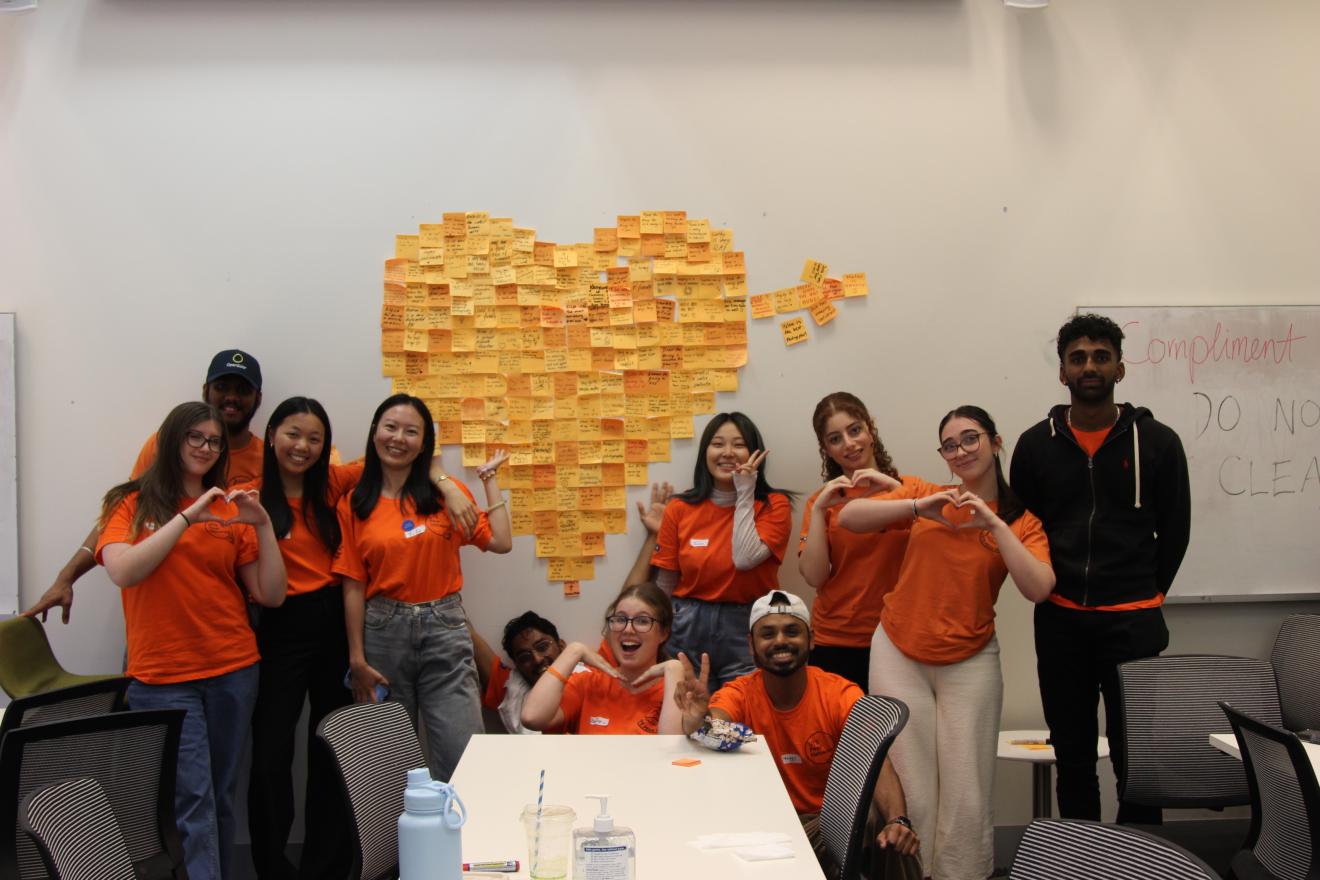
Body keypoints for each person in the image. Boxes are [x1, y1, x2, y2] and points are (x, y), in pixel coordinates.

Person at [839, 405, 1055, 880]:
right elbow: (849, 517)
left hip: (970, 660)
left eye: (971, 439)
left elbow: (1039, 587)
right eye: (950, 445)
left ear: (996, 442)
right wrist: (918, 507)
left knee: (967, 792)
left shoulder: (1022, 523)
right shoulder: (925, 494)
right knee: (910, 787)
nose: (961, 451)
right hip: (898, 651)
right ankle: (912, 875)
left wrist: (993, 525)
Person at [1010, 313, 1191, 824]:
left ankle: (1142, 865)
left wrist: (1145, 593)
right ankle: (1084, 862)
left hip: (1134, 623)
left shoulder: (1158, 443)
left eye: (1101, 357)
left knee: (1139, 763)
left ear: (1120, 368)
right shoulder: (1034, 445)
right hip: (1062, 622)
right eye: (1078, 358)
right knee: (1073, 757)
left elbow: (1176, 531)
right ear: (1063, 373)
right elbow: (1026, 529)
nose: (1090, 366)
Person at [95, 401, 288, 880]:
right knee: (192, 800)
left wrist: (262, 526)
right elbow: (123, 570)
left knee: (218, 796)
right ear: (171, 440)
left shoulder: (228, 508)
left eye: (214, 441)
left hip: (233, 668)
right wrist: (187, 518)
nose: (206, 448)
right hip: (162, 677)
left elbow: (270, 593)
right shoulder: (130, 503)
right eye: (195, 438)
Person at [674, 590, 920, 880]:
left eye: (792, 631)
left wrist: (898, 820)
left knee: (888, 833)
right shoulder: (740, 693)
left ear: (811, 640)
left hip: (824, 826)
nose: (780, 641)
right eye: (768, 634)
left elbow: (877, 766)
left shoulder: (840, 694)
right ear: (752, 647)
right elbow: (714, 726)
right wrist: (697, 720)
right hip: (761, 827)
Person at [335, 393, 512, 780]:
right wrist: (356, 658)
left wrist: (487, 480)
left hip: (444, 629)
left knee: (463, 757)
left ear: (423, 444)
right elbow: (352, 583)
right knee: (389, 766)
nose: (399, 438)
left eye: (411, 432)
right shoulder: (354, 503)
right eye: (391, 427)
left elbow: (500, 542)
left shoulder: (444, 496)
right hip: (382, 633)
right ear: (374, 432)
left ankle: (464, 840)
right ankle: (400, 844)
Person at [25, 348, 266, 624]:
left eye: (243, 390)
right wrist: (67, 577)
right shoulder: (164, 445)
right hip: (158, 610)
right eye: (222, 387)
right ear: (206, 391)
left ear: (257, 398)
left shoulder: (266, 460)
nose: (232, 398)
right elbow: (124, 515)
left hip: (233, 611)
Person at [627, 412, 793, 691]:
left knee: (738, 713)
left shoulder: (774, 506)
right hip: (687, 622)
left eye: (738, 445)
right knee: (684, 711)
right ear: (705, 452)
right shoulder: (679, 508)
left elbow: (744, 558)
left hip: (745, 625)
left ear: (755, 453)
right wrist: (657, 632)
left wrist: (745, 492)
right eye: (717, 444)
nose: (727, 453)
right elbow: (665, 582)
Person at [798, 392, 916, 690]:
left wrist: (895, 493)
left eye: (854, 430)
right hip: (837, 639)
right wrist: (821, 511)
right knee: (842, 735)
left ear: (870, 428)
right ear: (825, 448)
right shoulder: (820, 503)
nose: (849, 444)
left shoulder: (910, 490)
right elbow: (814, 576)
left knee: (899, 735)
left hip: (899, 636)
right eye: (835, 439)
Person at [521, 582, 684, 735]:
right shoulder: (589, 683)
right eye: (620, 619)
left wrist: (674, 669)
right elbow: (532, 718)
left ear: (663, 633)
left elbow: (671, 752)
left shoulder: (675, 686)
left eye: (642, 621)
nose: (628, 629)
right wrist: (574, 650)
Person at [470, 611, 575, 735]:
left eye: (542, 647)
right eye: (525, 657)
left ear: (561, 646)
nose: (537, 659)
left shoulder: (591, 679)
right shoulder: (513, 690)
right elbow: (467, 631)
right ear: (517, 666)